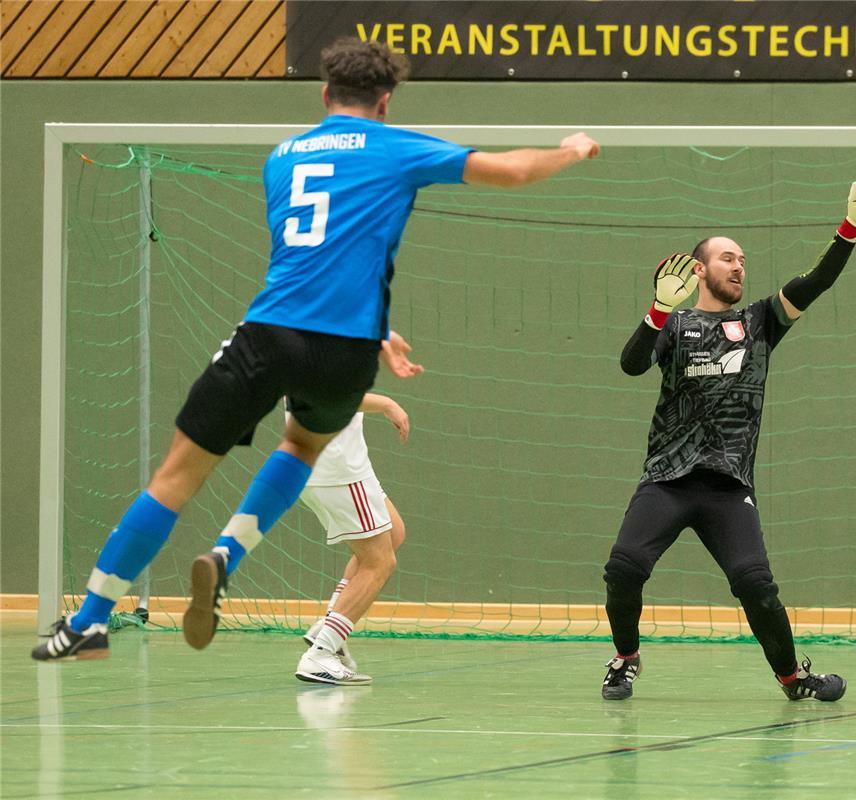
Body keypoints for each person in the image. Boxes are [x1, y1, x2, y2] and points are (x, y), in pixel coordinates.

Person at [33, 38, 599, 664]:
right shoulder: (396, 147)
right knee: (302, 446)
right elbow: (513, 171)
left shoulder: (281, 158)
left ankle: (88, 621)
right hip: (346, 352)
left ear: (326, 93)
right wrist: (571, 150)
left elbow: (312, 259)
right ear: (385, 102)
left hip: (270, 331)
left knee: (174, 477)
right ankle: (226, 555)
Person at [600, 180, 856, 701]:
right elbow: (631, 364)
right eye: (728, 258)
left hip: (727, 485)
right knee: (624, 568)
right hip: (667, 479)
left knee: (756, 584)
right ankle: (625, 658)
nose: (739, 266)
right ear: (699, 270)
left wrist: (851, 228)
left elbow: (815, 281)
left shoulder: (759, 322)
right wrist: (658, 310)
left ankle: (793, 678)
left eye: (743, 260)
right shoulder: (676, 323)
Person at [295, 388, 413, 685]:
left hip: (339, 464)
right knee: (380, 561)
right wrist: (387, 403)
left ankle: (328, 627)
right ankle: (322, 652)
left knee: (393, 532)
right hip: (337, 470)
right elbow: (331, 395)